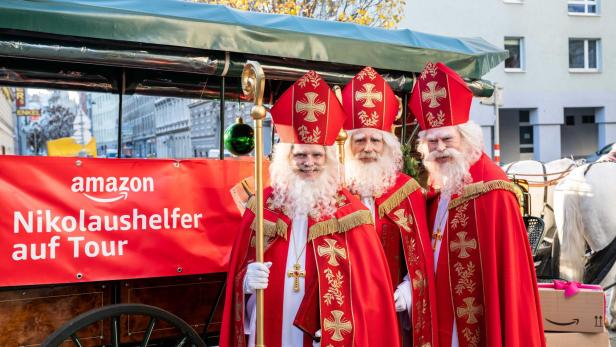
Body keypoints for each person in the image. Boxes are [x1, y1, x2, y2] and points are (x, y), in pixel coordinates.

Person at [220, 71, 400, 347]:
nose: (309, 162)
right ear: (285, 158)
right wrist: (245, 282)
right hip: (268, 323)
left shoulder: (350, 213)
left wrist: (342, 328)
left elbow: (368, 293)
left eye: (317, 155)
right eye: (300, 155)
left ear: (328, 159)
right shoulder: (263, 206)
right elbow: (237, 273)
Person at [409, 62, 545, 347]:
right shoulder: (439, 187)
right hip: (440, 313)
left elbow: (507, 275)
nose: (440, 148)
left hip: (475, 319)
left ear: (466, 139)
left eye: (447, 139)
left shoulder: (493, 189)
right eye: (432, 142)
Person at [341, 66, 437, 347]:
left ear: (388, 145)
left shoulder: (406, 190)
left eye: (376, 140)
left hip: (393, 309)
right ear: (348, 144)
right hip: (344, 307)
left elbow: (420, 253)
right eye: (360, 140)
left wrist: (409, 291)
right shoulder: (335, 190)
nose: (368, 147)